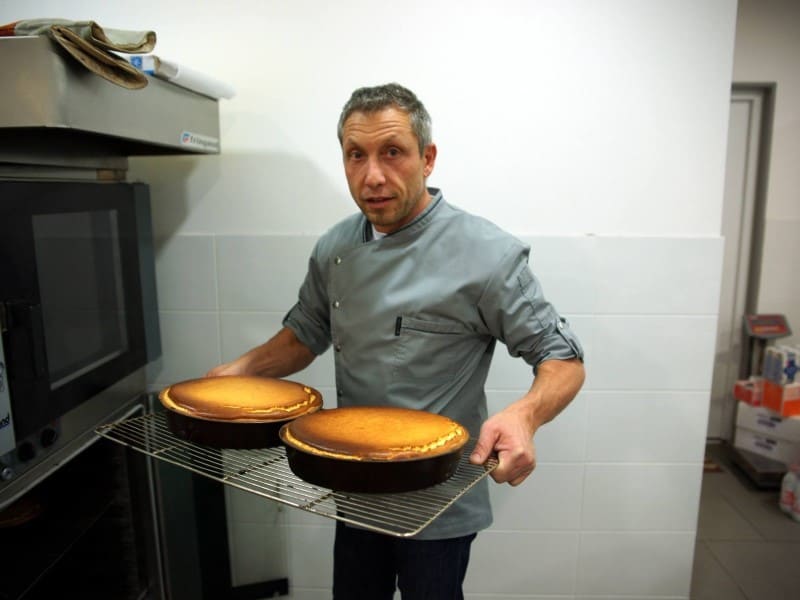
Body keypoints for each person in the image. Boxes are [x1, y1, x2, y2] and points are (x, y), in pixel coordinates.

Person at [207, 83, 585, 599]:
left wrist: (525, 416)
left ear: (427, 158)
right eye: (355, 155)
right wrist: (239, 372)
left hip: (437, 500)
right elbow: (306, 333)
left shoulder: (487, 255)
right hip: (355, 485)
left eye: (392, 152)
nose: (373, 176)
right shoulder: (336, 247)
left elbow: (562, 358)